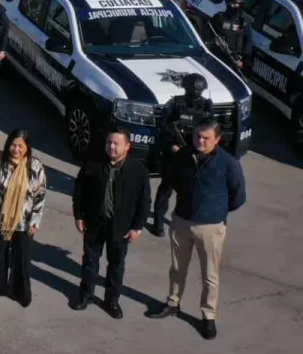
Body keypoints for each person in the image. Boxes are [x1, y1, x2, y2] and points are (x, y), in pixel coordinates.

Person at [146, 118, 246, 340]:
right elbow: (171, 182)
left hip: (210, 227)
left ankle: (208, 317)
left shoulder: (229, 163)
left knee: (210, 275)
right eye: (197, 136)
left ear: (217, 140)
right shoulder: (182, 156)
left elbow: (238, 197)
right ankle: (173, 303)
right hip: (181, 221)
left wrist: (215, 211)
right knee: (177, 268)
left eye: (206, 138)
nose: (200, 141)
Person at [72, 128, 151, 319]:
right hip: (94, 224)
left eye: (116, 143)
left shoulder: (138, 171)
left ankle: (112, 300)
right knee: (90, 262)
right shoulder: (93, 163)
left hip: (120, 228)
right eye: (109, 142)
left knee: (116, 265)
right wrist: (79, 216)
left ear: (127, 146)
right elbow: (79, 191)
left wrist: (137, 228)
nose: (112, 147)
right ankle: (86, 295)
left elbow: (144, 201)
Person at [0, 129, 47, 307]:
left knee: (22, 258)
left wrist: (35, 221)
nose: (16, 149)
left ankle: (20, 292)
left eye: (20, 146)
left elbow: (40, 194)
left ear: (27, 148)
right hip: (0, 219)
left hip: (24, 222)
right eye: (13, 145)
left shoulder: (34, 166)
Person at [152, 73, 212, 237]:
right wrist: (173, 145)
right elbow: (163, 127)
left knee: (191, 191)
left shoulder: (206, 105)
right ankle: (158, 222)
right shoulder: (175, 104)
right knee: (166, 188)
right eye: (194, 91)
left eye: (199, 91)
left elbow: (211, 129)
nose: (197, 95)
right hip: (176, 153)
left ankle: (187, 220)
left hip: (196, 154)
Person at [208, 0, 250, 73]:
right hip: (218, 54)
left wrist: (242, 59)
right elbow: (209, 33)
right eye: (233, 4)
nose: (235, 7)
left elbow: (248, 41)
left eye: (238, 4)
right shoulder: (219, 17)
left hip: (235, 58)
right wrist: (214, 41)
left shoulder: (244, 21)